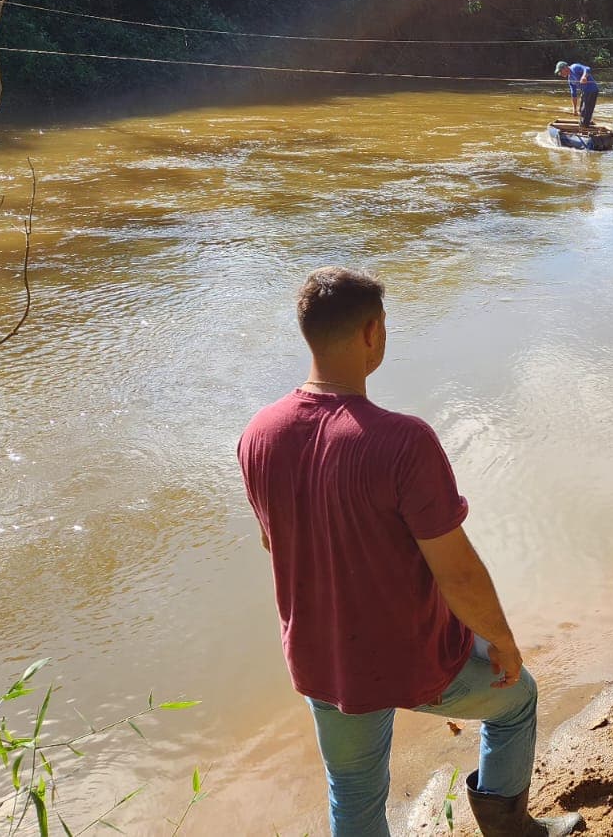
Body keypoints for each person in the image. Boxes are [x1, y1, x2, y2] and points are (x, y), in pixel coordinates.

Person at [237, 267, 583, 837]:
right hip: (414, 657)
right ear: (372, 332)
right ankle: (510, 829)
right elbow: (459, 574)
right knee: (516, 699)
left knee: (352, 793)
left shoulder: (259, 434)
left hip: (324, 660)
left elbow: (274, 541)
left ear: (309, 334)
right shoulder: (403, 441)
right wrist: (503, 642)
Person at [554, 61, 598, 127]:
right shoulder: (570, 79)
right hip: (585, 92)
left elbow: (587, 69)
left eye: (560, 71)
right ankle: (585, 124)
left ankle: (584, 127)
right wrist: (574, 109)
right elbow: (573, 94)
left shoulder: (574, 67)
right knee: (581, 111)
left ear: (565, 68)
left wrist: (584, 76)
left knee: (585, 112)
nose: (560, 74)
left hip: (592, 90)